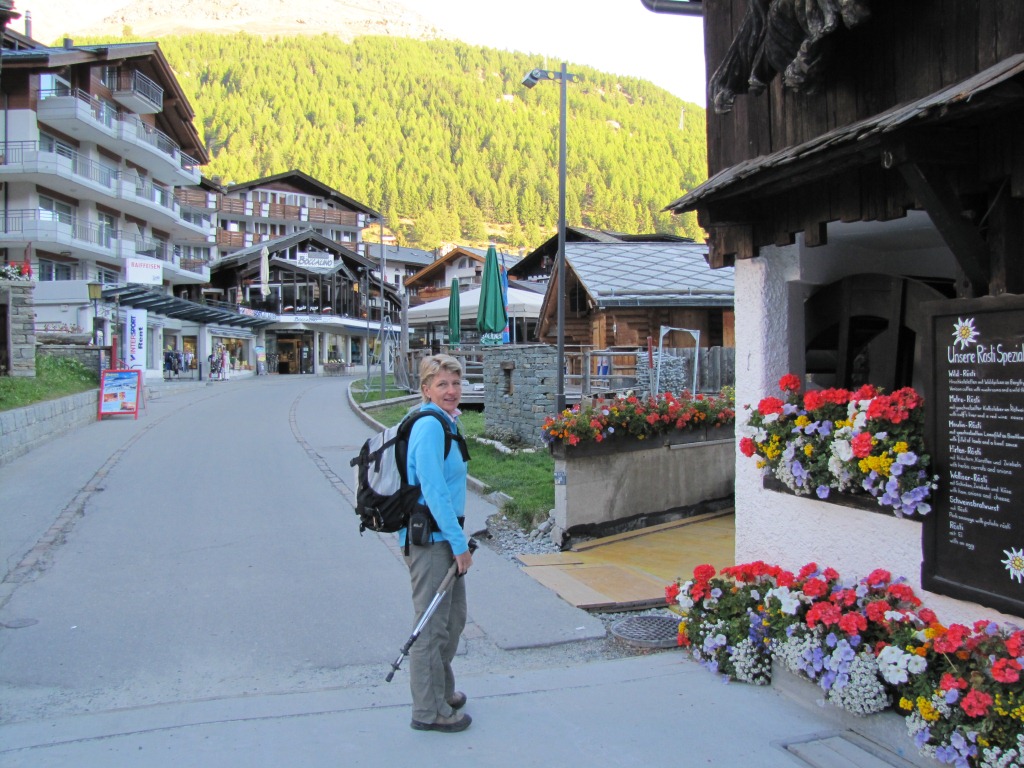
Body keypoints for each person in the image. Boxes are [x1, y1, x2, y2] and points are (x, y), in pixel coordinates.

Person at [400, 354, 473, 733]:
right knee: (430, 628)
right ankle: (428, 710)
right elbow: (433, 490)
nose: (451, 390)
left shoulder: (446, 421)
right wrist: (459, 544)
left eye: (456, 383)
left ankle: (441, 690)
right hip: (431, 540)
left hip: (445, 535)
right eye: (442, 384)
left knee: (452, 620)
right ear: (426, 389)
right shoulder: (429, 426)